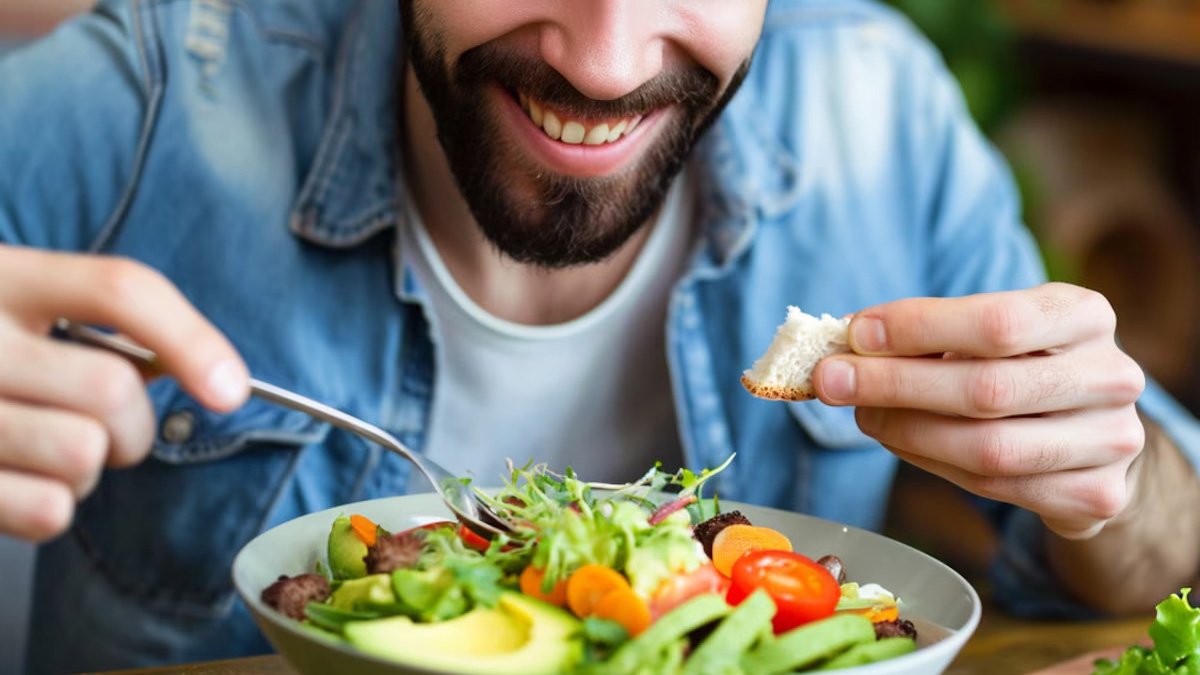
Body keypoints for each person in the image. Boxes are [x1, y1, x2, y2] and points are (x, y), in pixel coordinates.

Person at [2, 0, 1198, 671]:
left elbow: (1165, 561)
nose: (609, 64)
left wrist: (1120, 482)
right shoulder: (155, 98)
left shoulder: (882, 121)